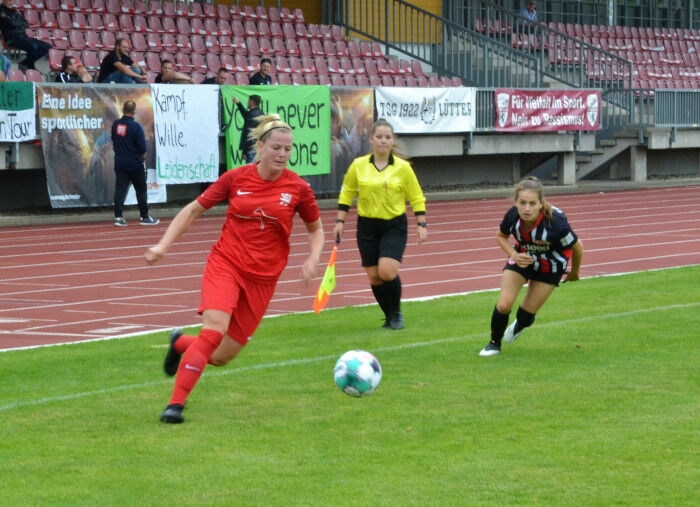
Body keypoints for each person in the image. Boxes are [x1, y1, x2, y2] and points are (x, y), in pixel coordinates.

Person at [145, 114, 324, 424]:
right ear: (261, 147)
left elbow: (316, 229)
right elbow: (193, 210)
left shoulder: (298, 188)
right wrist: (163, 245)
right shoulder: (236, 178)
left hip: (263, 279)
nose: (282, 154)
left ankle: (180, 343)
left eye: (287, 149)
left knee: (221, 356)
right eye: (276, 148)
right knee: (214, 330)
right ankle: (175, 405)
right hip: (226, 264)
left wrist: (313, 258)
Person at [333, 118, 427, 330]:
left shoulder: (403, 168)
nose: (383, 141)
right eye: (379, 137)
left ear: (392, 140)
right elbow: (347, 192)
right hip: (367, 226)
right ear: (371, 139)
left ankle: (397, 314)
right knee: (374, 277)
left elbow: (416, 196)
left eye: (387, 137)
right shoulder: (358, 165)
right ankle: (388, 316)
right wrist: (340, 220)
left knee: (387, 272)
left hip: (394, 225)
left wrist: (421, 224)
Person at [479, 176, 583, 356]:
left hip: (550, 266)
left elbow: (577, 246)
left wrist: (575, 272)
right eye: (523, 203)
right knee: (504, 305)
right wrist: (514, 255)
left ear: (540, 204)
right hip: (522, 258)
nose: (527, 208)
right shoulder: (513, 215)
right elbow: (501, 236)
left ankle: (520, 324)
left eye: (532, 203)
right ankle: (494, 343)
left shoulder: (556, 223)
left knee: (526, 315)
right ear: (516, 202)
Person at [112, 100, 159, 226]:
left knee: (120, 190)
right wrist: (143, 159)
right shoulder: (136, 126)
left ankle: (118, 217)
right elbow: (142, 148)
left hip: (120, 164)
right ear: (134, 111)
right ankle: (144, 217)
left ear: (123, 110)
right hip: (135, 164)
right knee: (141, 190)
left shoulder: (116, 125)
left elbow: (114, 140)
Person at [0, 0, 50, 70]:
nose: (11, 2)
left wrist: (17, 23)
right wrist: (18, 24)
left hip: (22, 36)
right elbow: (12, 23)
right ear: (4, 1)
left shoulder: (14, 11)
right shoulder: (1, 11)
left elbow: (25, 23)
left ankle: (25, 63)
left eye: (13, 1)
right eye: (9, 0)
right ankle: (30, 66)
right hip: (11, 39)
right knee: (33, 46)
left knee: (47, 46)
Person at [232, 94, 263, 163]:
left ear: (252, 102)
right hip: (258, 148)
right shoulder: (260, 113)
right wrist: (239, 103)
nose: (247, 102)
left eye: (248, 101)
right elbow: (246, 115)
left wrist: (244, 151)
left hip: (251, 150)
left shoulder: (252, 115)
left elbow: (249, 134)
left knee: (250, 169)